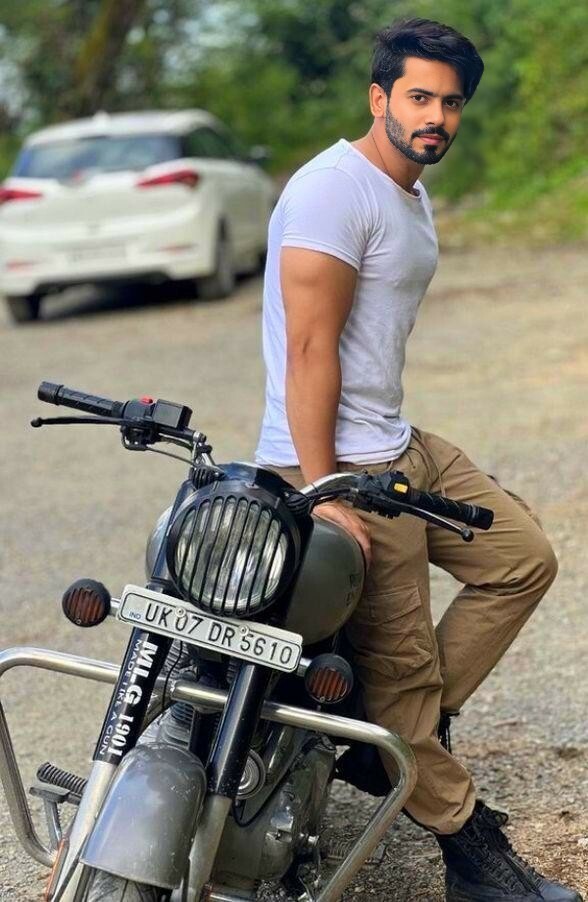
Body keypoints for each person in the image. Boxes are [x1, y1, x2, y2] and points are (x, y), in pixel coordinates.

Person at [255, 16, 582, 902]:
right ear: (379, 98)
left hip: (396, 443)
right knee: (403, 672)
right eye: (419, 97)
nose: (436, 116)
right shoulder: (334, 192)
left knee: (520, 559)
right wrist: (325, 488)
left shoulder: (407, 187)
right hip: (340, 465)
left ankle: (387, 738)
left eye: (451, 102)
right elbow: (309, 351)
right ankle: (473, 855)